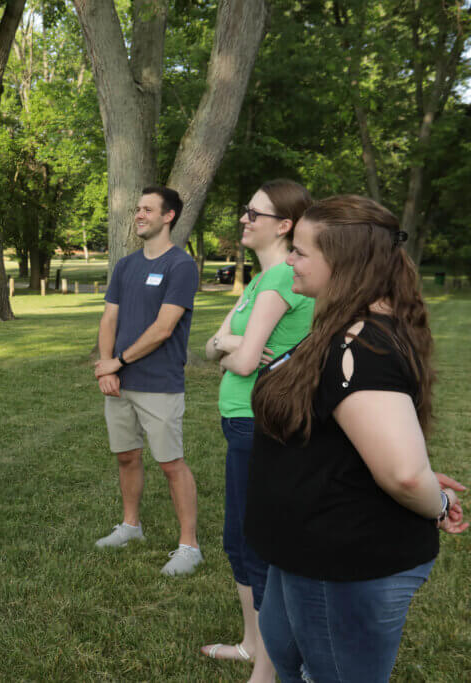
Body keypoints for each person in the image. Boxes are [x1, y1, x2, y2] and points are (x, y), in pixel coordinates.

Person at [246, 195, 468, 683]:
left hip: (344, 563)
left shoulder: (361, 347)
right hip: (304, 553)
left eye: (300, 252)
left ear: (343, 263)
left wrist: (434, 501)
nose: (288, 261)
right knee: (290, 661)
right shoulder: (342, 329)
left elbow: (404, 474)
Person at [200, 180, 313, 680]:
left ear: (284, 225)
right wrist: (228, 345)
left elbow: (241, 359)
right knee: (237, 541)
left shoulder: (282, 279)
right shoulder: (260, 280)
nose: (243, 219)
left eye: (254, 213)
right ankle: (252, 645)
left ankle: (266, 672)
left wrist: (230, 347)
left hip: (259, 425)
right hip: (240, 424)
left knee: (257, 547)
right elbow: (211, 347)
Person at [93, 185, 203, 576]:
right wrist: (107, 365)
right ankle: (130, 526)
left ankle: (189, 546)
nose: (139, 215)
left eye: (147, 209)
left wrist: (116, 362)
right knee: (126, 456)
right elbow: (109, 319)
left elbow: (163, 328)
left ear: (168, 216)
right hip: (120, 382)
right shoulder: (126, 266)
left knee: (171, 463)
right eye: (137, 209)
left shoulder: (181, 266)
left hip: (158, 382)